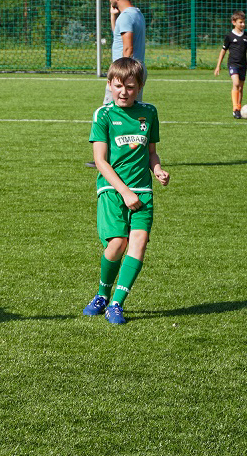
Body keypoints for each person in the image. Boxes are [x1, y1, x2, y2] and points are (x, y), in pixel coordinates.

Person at [82, 57, 170, 325]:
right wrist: (124, 192)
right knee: (118, 243)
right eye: (118, 86)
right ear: (110, 84)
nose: (124, 92)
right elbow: (100, 161)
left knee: (139, 243)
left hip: (143, 190)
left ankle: (117, 303)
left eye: (130, 87)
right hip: (111, 190)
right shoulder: (103, 114)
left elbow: (151, 153)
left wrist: (157, 169)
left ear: (139, 87)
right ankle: (102, 294)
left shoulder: (149, 112)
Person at [86, 0, 147, 168]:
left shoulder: (126, 17)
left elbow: (127, 47)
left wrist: (120, 75)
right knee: (129, 112)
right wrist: (113, 17)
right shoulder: (136, 13)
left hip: (125, 72)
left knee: (108, 113)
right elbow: (118, 36)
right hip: (136, 71)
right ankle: (128, 156)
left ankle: (104, 158)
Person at [214, 11, 247, 118]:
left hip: (243, 65)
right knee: (236, 83)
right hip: (233, 64)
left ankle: (239, 107)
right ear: (234, 22)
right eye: (240, 22)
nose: (243, 24)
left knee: (241, 88)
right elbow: (223, 51)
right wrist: (218, 66)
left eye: (244, 22)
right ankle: (235, 108)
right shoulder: (229, 36)